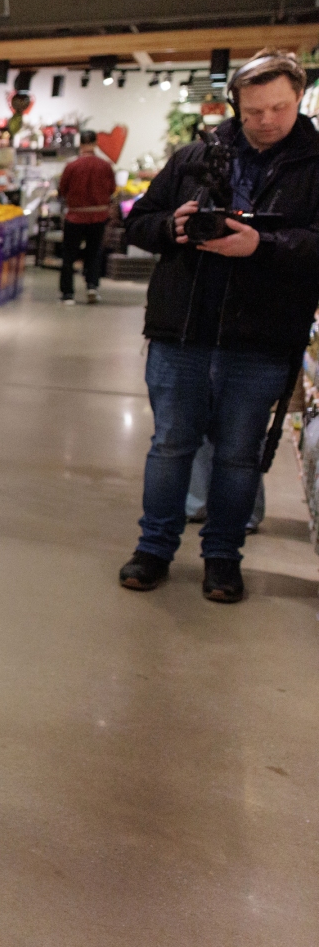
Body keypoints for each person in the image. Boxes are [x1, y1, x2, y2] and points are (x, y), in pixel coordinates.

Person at [119, 49, 319, 602]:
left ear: (299, 99)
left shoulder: (315, 164)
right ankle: (154, 549)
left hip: (261, 338)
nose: (266, 120)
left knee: (237, 454)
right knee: (170, 446)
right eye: (253, 111)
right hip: (181, 330)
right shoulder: (194, 157)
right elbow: (138, 223)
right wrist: (173, 227)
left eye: (279, 108)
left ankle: (223, 558)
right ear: (235, 105)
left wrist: (264, 245)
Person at [57, 130, 117, 304]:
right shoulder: (105, 166)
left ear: (81, 144)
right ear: (96, 143)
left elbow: (63, 189)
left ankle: (68, 294)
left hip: (75, 216)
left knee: (69, 255)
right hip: (98, 215)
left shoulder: (72, 166)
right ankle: (92, 286)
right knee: (94, 253)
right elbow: (112, 189)